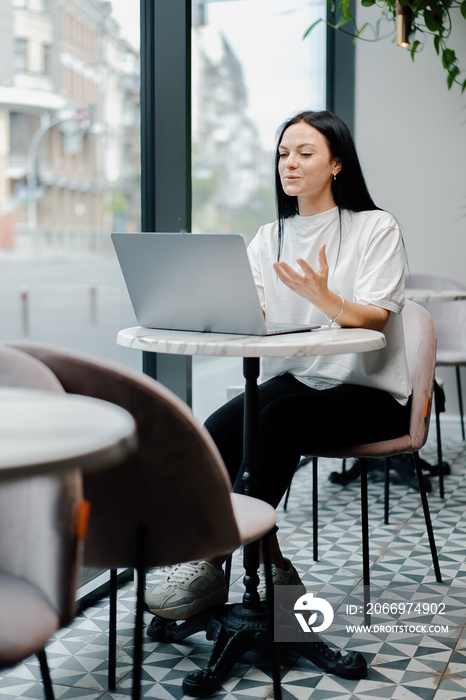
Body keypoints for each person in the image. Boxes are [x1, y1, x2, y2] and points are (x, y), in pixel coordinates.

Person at [145, 109, 412, 621]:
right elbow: (256, 315)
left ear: (337, 164)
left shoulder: (375, 227)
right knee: (220, 429)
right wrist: (209, 308)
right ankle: (275, 565)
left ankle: (212, 559)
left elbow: (375, 321)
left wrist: (325, 297)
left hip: (372, 394)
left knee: (274, 424)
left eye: (305, 153)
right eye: (283, 154)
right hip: (301, 380)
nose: (289, 164)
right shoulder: (271, 237)